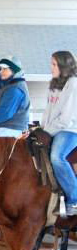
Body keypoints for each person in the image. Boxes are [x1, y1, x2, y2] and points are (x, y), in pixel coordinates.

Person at [44, 50, 77, 216]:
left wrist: (47, 132)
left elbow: (66, 118)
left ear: (64, 66)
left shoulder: (73, 84)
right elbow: (48, 112)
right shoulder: (54, 83)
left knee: (57, 157)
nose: (51, 67)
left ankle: (74, 199)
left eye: (54, 64)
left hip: (70, 130)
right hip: (53, 128)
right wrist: (40, 130)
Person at [0, 56, 29, 138]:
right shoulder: (9, 86)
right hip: (4, 129)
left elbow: (4, 113)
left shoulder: (15, 89)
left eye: (5, 69)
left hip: (9, 130)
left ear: (14, 70)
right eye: (1, 69)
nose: (1, 72)